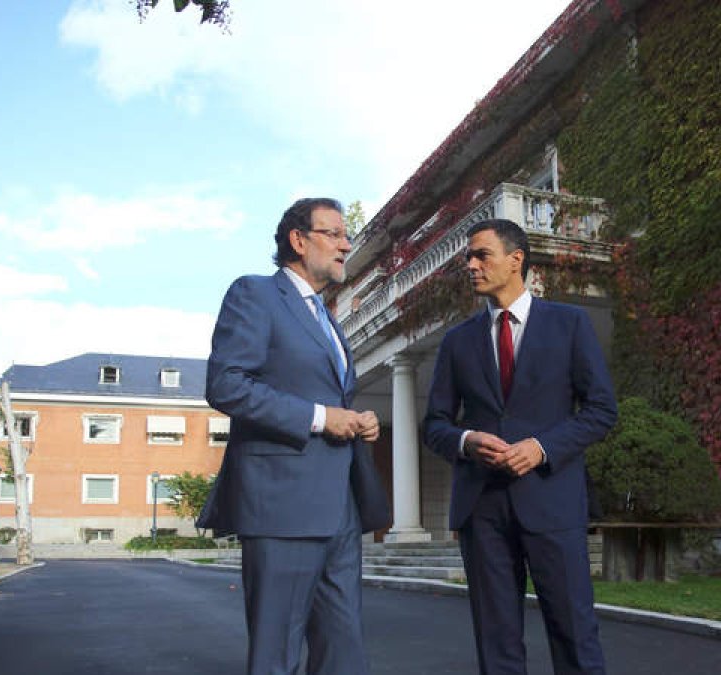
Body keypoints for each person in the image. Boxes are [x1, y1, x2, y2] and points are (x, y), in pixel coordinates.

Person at [197, 197, 390, 675]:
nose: (347, 245)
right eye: (335, 234)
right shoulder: (255, 294)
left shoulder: (327, 317)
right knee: (276, 654)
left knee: (344, 652)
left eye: (347, 236)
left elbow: (319, 391)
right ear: (298, 241)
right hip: (281, 506)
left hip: (339, 508)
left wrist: (354, 419)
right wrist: (322, 418)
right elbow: (226, 385)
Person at [423, 218, 617, 674]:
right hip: (482, 509)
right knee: (497, 642)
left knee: (575, 634)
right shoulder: (456, 342)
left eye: (481, 255)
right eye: (467, 258)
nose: (470, 265)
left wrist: (542, 447)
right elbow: (434, 424)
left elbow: (601, 410)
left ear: (516, 260)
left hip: (553, 502)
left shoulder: (570, 324)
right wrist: (467, 441)